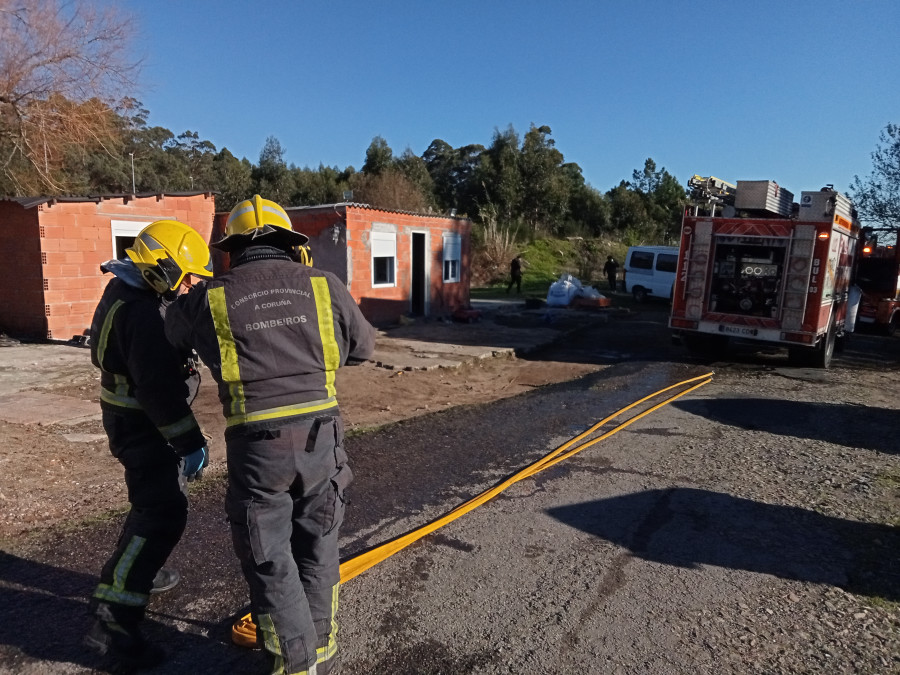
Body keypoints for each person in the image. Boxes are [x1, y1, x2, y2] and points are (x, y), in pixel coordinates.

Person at [165, 195, 376, 675]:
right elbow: (363, 348)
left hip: (258, 450)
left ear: (232, 251)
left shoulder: (209, 297)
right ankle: (318, 652)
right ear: (293, 247)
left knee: (270, 556)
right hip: (323, 440)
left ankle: (296, 665)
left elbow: (170, 334)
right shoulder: (325, 286)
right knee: (319, 544)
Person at [84, 220, 213, 670]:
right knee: (161, 513)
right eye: (188, 275)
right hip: (144, 426)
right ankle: (114, 617)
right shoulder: (142, 313)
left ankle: (140, 571)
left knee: (148, 504)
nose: (192, 284)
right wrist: (190, 440)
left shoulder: (126, 290)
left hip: (129, 420)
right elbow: (158, 390)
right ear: (162, 266)